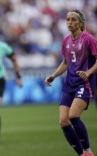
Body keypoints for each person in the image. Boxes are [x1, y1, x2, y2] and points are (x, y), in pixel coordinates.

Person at [45, 10, 97, 156]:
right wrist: (53, 76)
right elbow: (65, 63)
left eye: (74, 20)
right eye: (68, 20)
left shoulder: (88, 39)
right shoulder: (66, 40)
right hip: (69, 84)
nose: (70, 23)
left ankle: (87, 150)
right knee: (63, 121)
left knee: (73, 116)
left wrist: (88, 73)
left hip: (84, 83)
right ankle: (81, 154)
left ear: (81, 23)